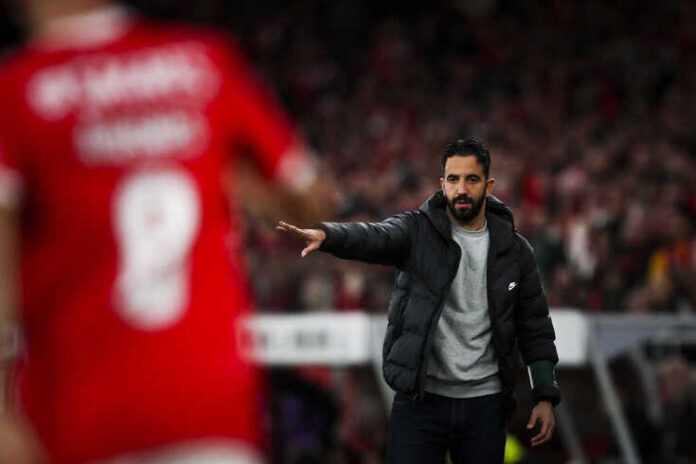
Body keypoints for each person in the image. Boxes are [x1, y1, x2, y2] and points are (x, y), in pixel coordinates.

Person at [0, 1, 335, 463]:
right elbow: (313, 198)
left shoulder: (19, 87)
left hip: (79, 410)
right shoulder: (201, 60)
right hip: (209, 402)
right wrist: (220, 174)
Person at [278, 138, 561, 464]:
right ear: (442, 184)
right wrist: (329, 236)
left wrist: (545, 395)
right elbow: (375, 237)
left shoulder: (515, 251)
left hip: (485, 404)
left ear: (489, 184)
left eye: (471, 179)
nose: (462, 189)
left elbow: (535, 327)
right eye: (453, 179)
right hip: (421, 401)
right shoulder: (417, 231)